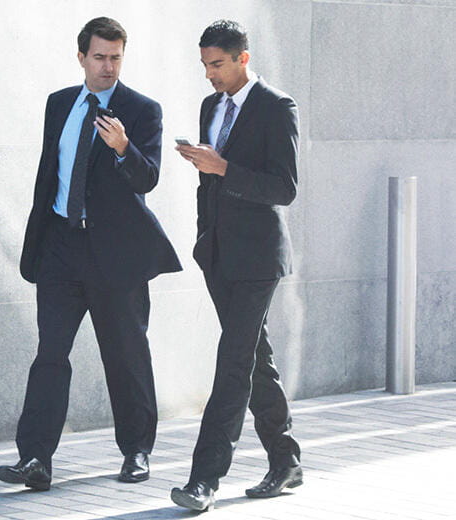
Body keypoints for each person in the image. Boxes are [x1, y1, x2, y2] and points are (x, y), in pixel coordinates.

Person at [0, 16, 181, 491]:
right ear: (81, 57)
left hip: (114, 256)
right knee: (50, 355)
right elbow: (50, 172)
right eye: (99, 57)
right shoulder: (59, 104)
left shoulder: (142, 110)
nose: (108, 67)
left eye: (116, 57)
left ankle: (137, 451)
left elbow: (147, 179)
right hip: (60, 246)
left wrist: (122, 148)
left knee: (126, 355)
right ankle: (35, 458)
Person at [171, 20, 303, 512]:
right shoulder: (211, 106)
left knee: (233, 362)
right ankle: (286, 460)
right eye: (205, 65)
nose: (210, 75)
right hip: (218, 255)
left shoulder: (277, 107)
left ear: (243, 59)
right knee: (254, 359)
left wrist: (223, 168)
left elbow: (284, 188)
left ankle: (204, 480)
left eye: (218, 65)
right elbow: (212, 185)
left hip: (257, 259)